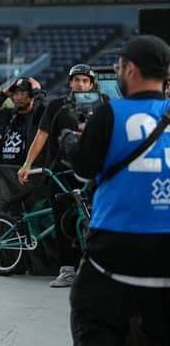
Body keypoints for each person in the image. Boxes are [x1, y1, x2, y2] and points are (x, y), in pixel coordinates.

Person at [67, 35, 170, 345]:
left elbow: (84, 169)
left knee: (94, 319)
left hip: (116, 247)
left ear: (131, 70)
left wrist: (71, 144)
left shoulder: (109, 113)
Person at [18, 63, 105, 288]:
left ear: (92, 84)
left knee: (97, 218)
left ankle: (96, 268)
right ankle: (66, 269)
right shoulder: (57, 105)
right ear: (70, 83)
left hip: (95, 171)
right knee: (63, 219)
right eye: (77, 80)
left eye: (85, 81)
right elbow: (42, 135)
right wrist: (27, 163)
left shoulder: (104, 104)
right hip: (61, 172)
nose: (81, 84)